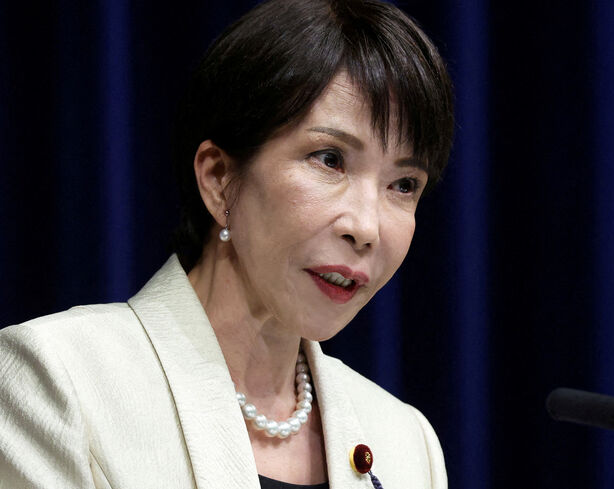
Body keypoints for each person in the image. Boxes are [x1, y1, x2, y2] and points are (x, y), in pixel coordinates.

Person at [0, 0, 453, 487]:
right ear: (219, 178)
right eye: (329, 159)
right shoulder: (60, 379)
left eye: (404, 185)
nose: (367, 228)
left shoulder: (405, 442)